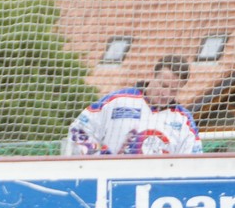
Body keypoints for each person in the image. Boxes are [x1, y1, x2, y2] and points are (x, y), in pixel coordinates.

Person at [63, 55, 202, 156]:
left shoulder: (183, 120)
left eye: (173, 90)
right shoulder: (117, 101)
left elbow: (193, 160)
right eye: (163, 85)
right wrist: (99, 156)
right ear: (152, 76)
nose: (165, 94)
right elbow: (79, 130)